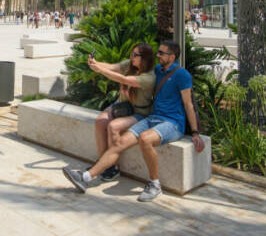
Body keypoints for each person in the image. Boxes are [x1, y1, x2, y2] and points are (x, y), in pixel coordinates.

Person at [62, 41, 205, 202]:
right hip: (153, 118)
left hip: (173, 123)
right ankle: (85, 177)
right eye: (157, 52)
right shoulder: (157, 70)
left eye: (161, 53)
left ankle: (155, 184)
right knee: (119, 143)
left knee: (145, 139)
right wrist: (97, 64)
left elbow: (188, 104)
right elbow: (118, 68)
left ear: (172, 57)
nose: (158, 55)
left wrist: (194, 132)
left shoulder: (182, 75)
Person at [90, 43, 156, 181]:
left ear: (145, 58)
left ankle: (113, 167)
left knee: (114, 126)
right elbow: (113, 67)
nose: (132, 57)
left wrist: (100, 70)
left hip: (138, 113)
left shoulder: (148, 77)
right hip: (122, 105)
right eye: (132, 53)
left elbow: (124, 79)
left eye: (135, 55)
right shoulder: (130, 65)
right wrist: (96, 63)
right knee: (100, 121)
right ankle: (103, 163)